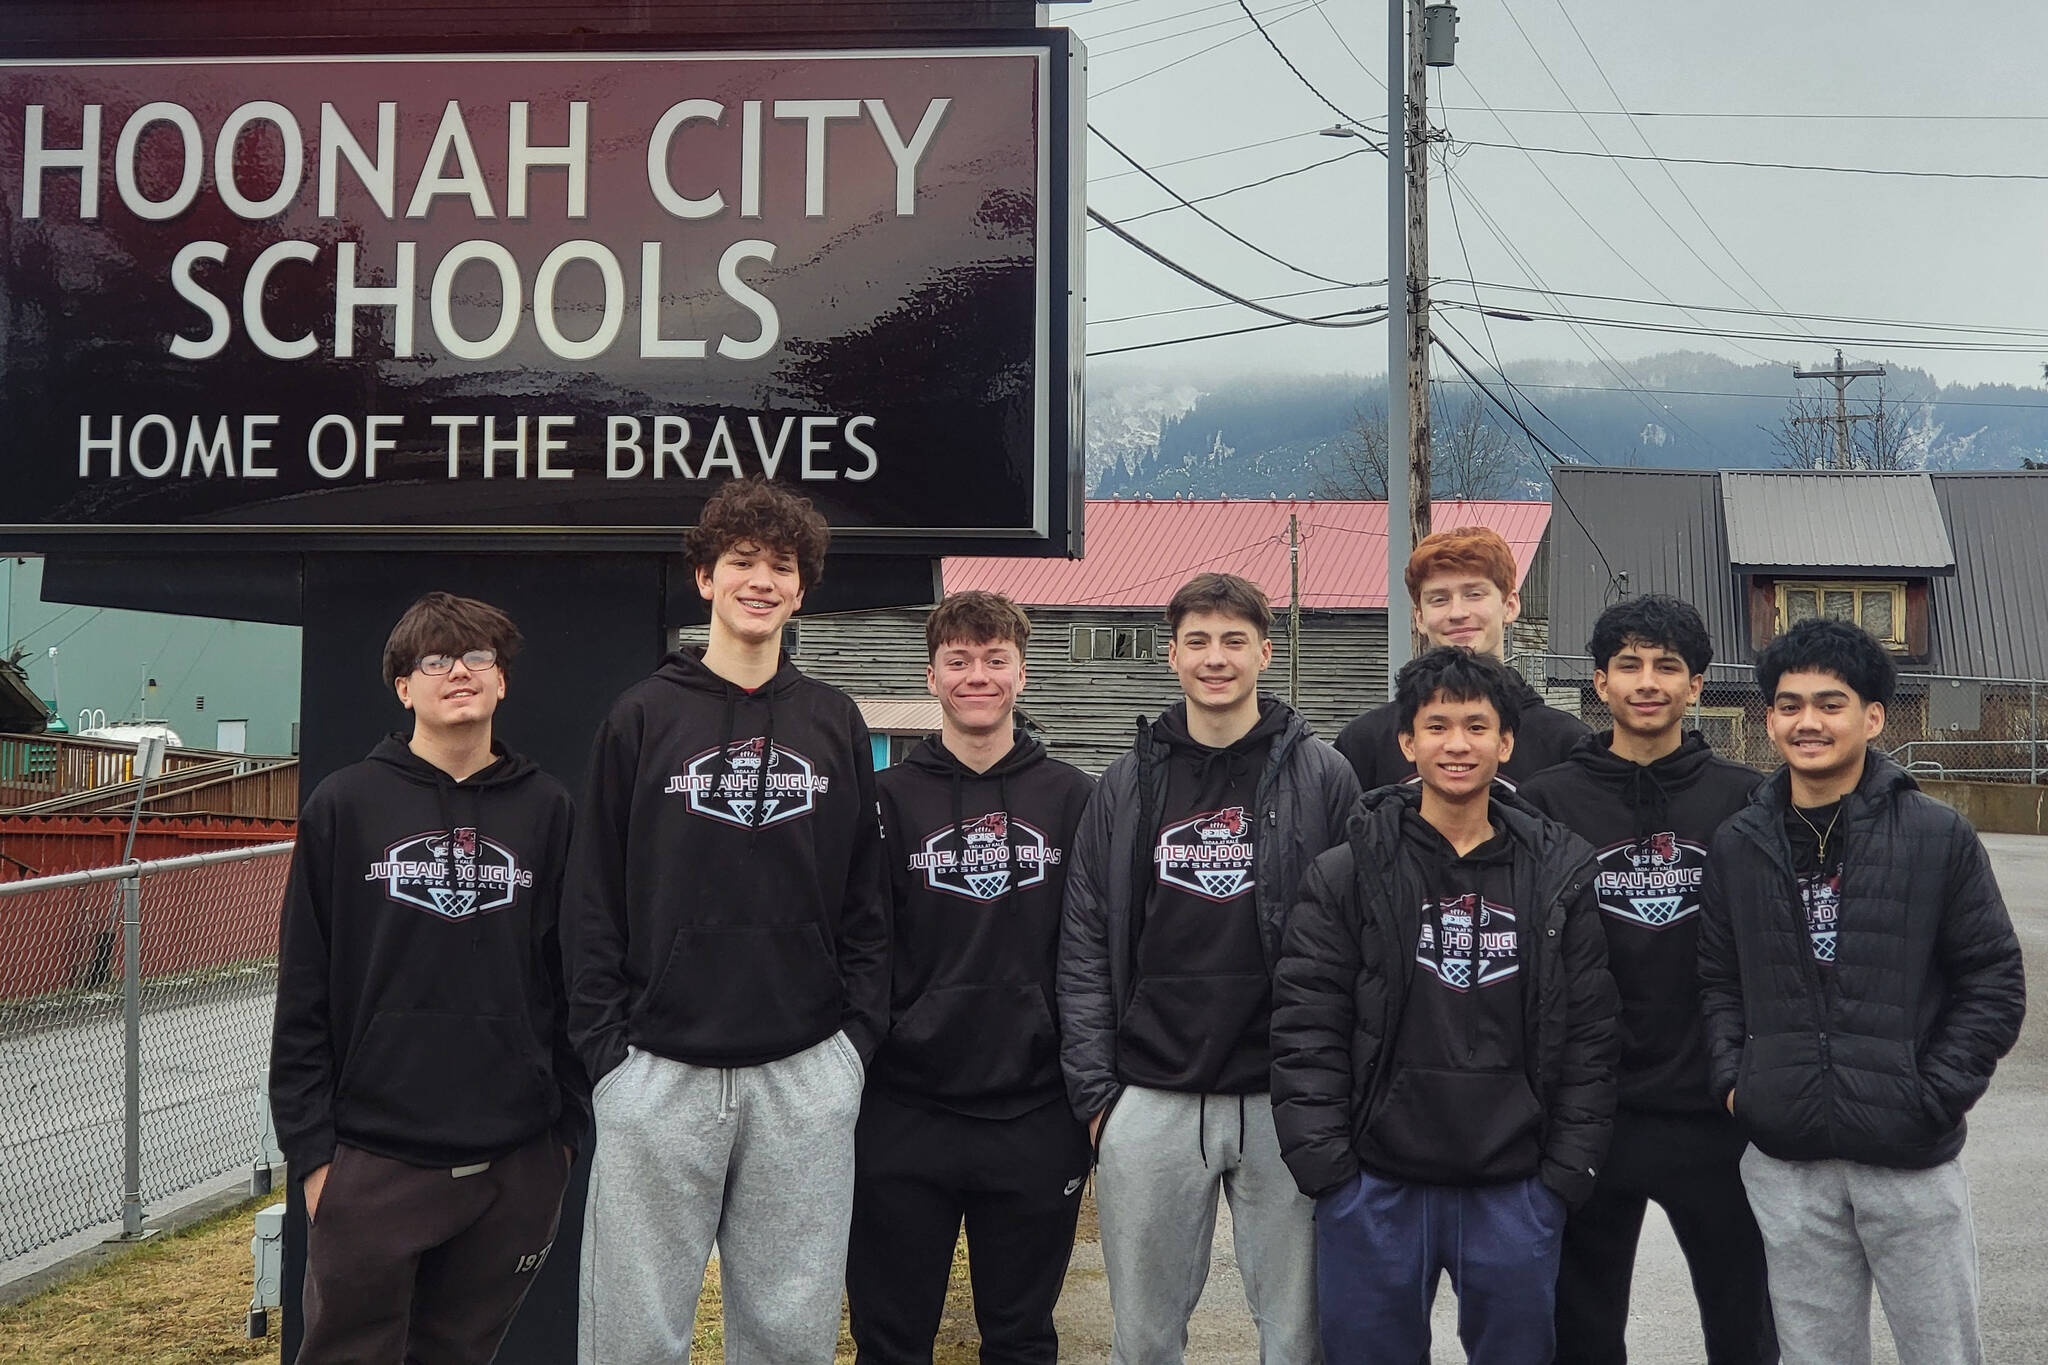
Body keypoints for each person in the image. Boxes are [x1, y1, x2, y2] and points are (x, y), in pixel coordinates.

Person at [563, 477, 888, 1364]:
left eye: (781, 566)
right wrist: (607, 1057)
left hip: (805, 1069)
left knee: (789, 1333)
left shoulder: (834, 720)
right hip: (656, 1072)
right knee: (634, 1335)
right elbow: (592, 894)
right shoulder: (640, 716)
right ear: (704, 578)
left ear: (802, 586)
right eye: (741, 561)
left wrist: (851, 1045)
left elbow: (867, 898)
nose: (761, 579)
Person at [1272, 646, 1618, 1365]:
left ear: (1506, 741)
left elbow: (1589, 1031)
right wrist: (1329, 1170)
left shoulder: (1557, 872)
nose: (1457, 743)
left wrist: (1562, 1175)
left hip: (1514, 1186)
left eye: (1475, 725)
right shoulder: (1347, 872)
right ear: (1407, 741)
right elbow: (1308, 1025)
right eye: (1436, 725)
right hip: (1374, 1183)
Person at [1698, 618, 2026, 1365]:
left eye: (1829, 702)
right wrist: (1738, 1085)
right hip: (1787, 1161)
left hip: (1909, 1158)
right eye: (1788, 704)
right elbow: (1717, 979)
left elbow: (1993, 979)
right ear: (1770, 717)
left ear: (1873, 717)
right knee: (1816, 1355)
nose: (1806, 721)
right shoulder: (1739, 842)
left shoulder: (1937, 835)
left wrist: (1931, 1091)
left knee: (1942, 1350)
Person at [269, 591, 582, 1365]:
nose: (459, 673)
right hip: (372, 1163)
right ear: (403, 686)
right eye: (434, 660)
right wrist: (316, 1165)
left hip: (512, 1164)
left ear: (503, 680)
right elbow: (304, 988)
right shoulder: (344, 805)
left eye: (478, 657)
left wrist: (562, 1139)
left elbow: (573, 977)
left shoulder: (547, 809)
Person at [1059, 572, 1358, 1365]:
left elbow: (1363, 937)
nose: (1215, 658)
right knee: (1145, 1337)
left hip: (1283, 1096)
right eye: (1197, 641)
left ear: (1266, 649)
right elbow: (1085, 939)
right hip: (1151, 1094)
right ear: (1172, 655)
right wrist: (1099, 1098)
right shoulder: (1125, 784)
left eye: (1233, 640)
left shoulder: (1323, 777)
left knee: (1297, 1336)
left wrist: (1336, 1081)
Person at [1518, 595, 1776, 1364]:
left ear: (1698, 684)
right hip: (1593, 1110)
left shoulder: (1744, 799)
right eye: (1628, 663)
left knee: (1745, 1325)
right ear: (1599, 682)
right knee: (1584, 1329)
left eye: (1668, 665)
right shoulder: (1546, 804)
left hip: (1715, 1111)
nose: (1647, 680)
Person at [847, 591, 1096, 1365]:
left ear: (1024, 672)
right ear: (931, 676)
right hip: (903, 1111)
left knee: (1020, 1337)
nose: (976, 675)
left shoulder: (1074, 798)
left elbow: (1095, 949)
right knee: (891, 1338)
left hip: (1033, 1113)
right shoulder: (884, 802)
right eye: (958, 660)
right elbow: (860, 943)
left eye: (994, 659)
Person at [1336, 525, 1589, 790]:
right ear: (1419, 617)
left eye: (1474, 594)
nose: (1457, 612)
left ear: (1510, 605)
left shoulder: (1564, 743)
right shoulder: (1365, 743)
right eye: (1439, 599)